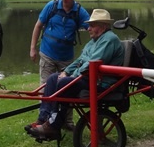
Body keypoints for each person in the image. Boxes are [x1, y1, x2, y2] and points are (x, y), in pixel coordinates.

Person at [25, 8, 125, 140]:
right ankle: (43, 120)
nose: (88, 29)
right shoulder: (93, 41)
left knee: (64, 83)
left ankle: (53, 126)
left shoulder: (109, 39)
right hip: (91, 78)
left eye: (91, 25)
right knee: (53, 78)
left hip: (102, 83)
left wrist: (72, 76)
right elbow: (80, 60)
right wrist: (66, 71)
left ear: (103, 26)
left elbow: (92, 64)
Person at [29, 0, 90, 130]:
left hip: (67, 58)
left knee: (67, 89)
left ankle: (67, 122)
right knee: (45, 87)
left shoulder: (79, 11)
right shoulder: (51, 6)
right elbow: (38, 26)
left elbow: (92, 27)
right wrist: (32, 48)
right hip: (47, 53)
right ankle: (44, 120)